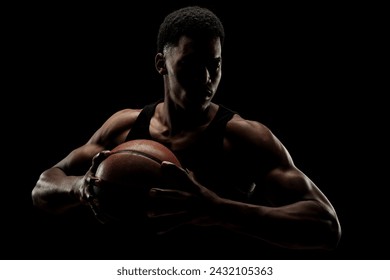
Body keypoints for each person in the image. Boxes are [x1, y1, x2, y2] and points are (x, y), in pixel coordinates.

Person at [32, 5, 341, 259]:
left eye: (215, 65)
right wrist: (80, 187)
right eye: (191, 65)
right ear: (160, 64)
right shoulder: (124, 127)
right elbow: (44, 187)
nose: (206, 78)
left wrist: (217, 209)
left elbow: (325, 225)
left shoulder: (245, 138)